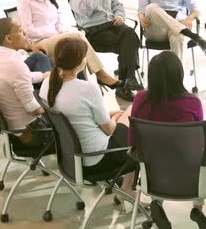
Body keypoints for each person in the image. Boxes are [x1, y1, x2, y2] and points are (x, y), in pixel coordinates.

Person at [129, 51, 206, 229]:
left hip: (153, 172)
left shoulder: (140, 99)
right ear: (179, 75)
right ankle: (197, 208)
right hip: (190, 173)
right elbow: (199, 143)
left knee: (157, 152)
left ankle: (157, 202)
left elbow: (133, 141)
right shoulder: (193, 103)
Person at [38, 37, 136, 197]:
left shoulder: (48, 84)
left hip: (71, 159)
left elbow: (78, 116)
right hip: (97, 159)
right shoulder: (87, 88)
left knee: (121, 115)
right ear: (79, 62)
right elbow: (109, 130)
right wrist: (114, 119)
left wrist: (111, 115)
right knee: (133, 110)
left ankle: (126, 186)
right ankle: (128, 187)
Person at [16, 0, 127, 100]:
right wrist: (54, 34)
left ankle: (83, 91)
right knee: (77, 37)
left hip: (54, 38)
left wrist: (64, 32)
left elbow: (57, 24)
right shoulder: (25, 1)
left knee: (79, 49)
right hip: (39, 43)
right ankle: (101, 74)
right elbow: (28, 30)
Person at [70, 0, 143, 101]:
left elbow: (117, 5)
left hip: (112, 25)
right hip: (94, 31)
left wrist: (120, 16)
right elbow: (86, 11)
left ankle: (128, 79)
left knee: (130, 35)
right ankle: (127, 83)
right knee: (127, 43)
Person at [0, 18, 52, 146]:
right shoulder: (15, 66)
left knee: (49, 71)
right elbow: (34, 109)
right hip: (35, 132)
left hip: (15, 128)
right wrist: (57, 105)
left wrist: (43, 75)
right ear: (8, 38)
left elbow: (18, 78)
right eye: (20, 31)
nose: (25, 33)